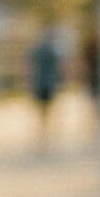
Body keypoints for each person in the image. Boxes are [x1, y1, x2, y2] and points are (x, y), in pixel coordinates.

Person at [27, 23, 66, 153]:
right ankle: (47, 131)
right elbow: (60, 66)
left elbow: (29, 66)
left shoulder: (37, 49)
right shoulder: (52, 50)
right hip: (49, 83)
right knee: (49, 109)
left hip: (39, 83)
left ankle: (43, 132)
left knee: (42, 110)